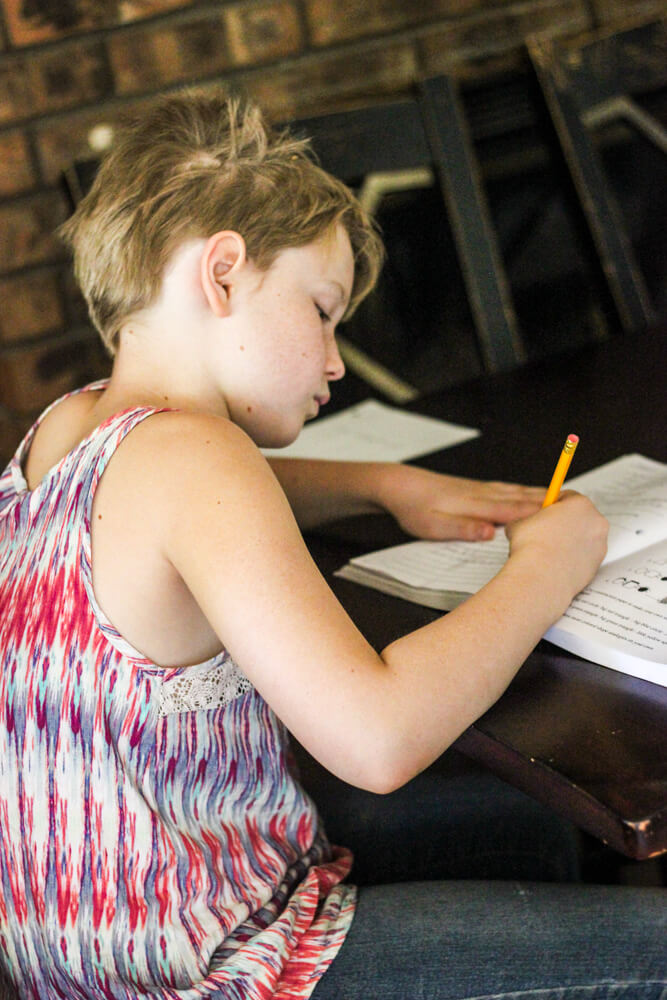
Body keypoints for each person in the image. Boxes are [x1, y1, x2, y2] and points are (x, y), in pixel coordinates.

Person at [0, 87, 663, 1000]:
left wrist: (384, 483)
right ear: (223, 274)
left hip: (83, 956)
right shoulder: (200, 460)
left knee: (533, 832)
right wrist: (549, 565)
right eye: (322, 310)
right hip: (215, 971)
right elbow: (378, 739)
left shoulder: (68, 427)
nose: (336, 361)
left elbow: (186, 514)